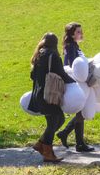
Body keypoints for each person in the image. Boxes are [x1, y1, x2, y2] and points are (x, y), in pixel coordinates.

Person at [28, 32, 75, 163]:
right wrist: (75, 83)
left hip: (39, 95)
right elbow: (61, 73)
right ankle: (48, 153)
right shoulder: (53, 55)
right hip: (49, 95)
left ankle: (41, 144)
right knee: (56, 120)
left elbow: (32, 76)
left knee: (57, 120)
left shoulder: (38, 55)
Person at [57, 22, 95, 152]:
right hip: (76, 83)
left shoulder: (74, 46)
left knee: (81, 112)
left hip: (80, 83)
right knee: (82, 112)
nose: (81, 33)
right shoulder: (71, 47)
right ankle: (76, 141)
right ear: (72, 34)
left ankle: (74, 140)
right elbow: (73, 65)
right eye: (78, 31)